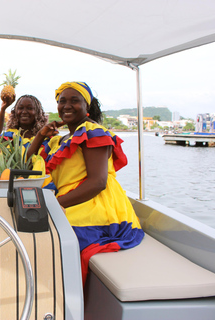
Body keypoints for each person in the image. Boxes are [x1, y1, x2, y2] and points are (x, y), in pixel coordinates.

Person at [27, 81, 144, 283]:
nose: (67, 105)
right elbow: (27, 164)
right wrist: (40, 135)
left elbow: (98, 182)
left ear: (87, 106)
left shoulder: (93, 132)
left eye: (75, 101)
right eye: (62, 101)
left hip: (96, 203)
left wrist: (54, 205)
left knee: (47, 235)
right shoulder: (59, 140)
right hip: (71, 200)